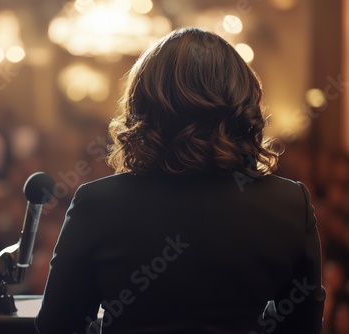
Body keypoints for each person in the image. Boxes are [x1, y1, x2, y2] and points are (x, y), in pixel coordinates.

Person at [35, 28, 325, 334]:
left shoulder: (97, 203)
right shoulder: (290, 203)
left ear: (143, 106)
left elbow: (58, 324)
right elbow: (303, 325)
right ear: (242, 103)